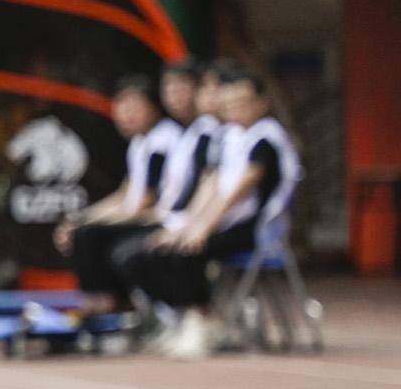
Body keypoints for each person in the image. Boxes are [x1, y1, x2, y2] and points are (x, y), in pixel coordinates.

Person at [116, 65, 301, 359]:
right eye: (230, 104)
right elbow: (213, 186)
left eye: (242, 103)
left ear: (262, 103)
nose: (235, 109)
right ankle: (190, 317)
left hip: (257, 231)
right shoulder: (230, 137)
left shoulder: (266, 137)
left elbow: (240, 189)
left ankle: (203, 320)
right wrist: (189, 225)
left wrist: (201, 230)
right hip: (222, 224)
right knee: (148, 253)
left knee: (186, 251)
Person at [55, 71, 177, 303]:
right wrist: (82, 218)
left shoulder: (163, 141)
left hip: (160, 219)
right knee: (81, 231)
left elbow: (144, 202)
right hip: (139, 216)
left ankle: (111, 305)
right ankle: (100, 304)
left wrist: (94, 223)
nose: (126, 115)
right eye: (122, 107)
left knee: (90, 237)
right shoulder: (139, 143)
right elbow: (126, 193)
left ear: (154, 107)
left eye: (134, 107)